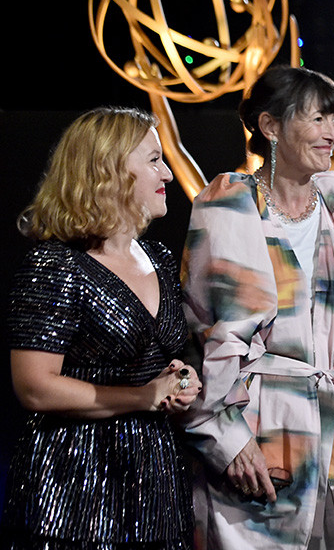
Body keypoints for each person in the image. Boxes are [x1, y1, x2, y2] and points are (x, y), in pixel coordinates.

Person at [180, 65, 334, 549]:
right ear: (271, 126)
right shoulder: (227, 205)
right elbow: (200, 333)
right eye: (319, 119)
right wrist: (225, 438)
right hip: (258, 432)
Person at [0, 107, 201, 548]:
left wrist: (182, 378)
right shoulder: (55, 264)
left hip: (157, 485)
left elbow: (165, 360)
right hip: (76, 488)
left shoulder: (161, 260)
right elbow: (34, 387)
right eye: (153, 159)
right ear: (107, 169)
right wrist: (143, 396)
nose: (167, 171)